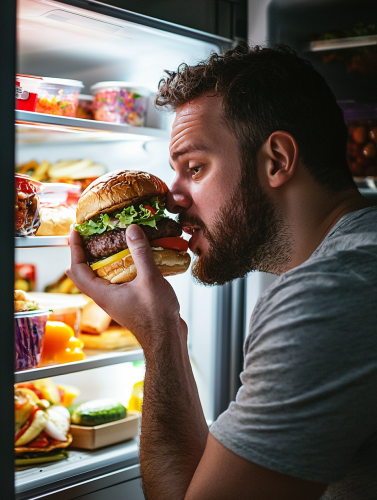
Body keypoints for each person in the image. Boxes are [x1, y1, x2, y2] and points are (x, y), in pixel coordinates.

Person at [67, 44, 377, 500]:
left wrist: (160, 332)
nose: (173, 198)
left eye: (195, 168)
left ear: (276, 160)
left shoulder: (327, 296)